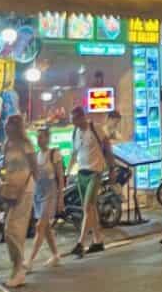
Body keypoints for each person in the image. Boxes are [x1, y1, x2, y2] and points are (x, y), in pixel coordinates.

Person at [68, 105, 114, 258]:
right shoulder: (75, 132)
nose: (73, 122)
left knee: (88, 207)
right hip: (82, 172)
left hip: (95, 171)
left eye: (74, 119)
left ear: (81, 117)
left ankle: (80, 243)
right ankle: (98, 240)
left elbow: (108, 148)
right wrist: (68, 172)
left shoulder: (96, 129)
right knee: (91, 208)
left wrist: (112, 168)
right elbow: (74, 153)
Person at [0, 114, 36, 287]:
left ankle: (19, 268)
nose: (6, 128)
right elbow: (6, 169)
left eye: (10, 125)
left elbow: (34, 168)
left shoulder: (26, 145)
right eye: (6, 125)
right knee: (9, 230)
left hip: (25, 190)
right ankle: (17, 266)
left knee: (14, 230)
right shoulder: (7, 145)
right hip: (11, 190)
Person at [27, 126, 64, 271]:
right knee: (46, 227)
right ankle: (55, 254)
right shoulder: (36, 155)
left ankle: (29, 261)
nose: (39, 139)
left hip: (50, 193)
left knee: (40, 226)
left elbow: (60, 178)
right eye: (37, 136)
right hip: (38, 194)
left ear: (48, 138)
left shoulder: (54, 154)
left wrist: (60, 198)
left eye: (42, 136)